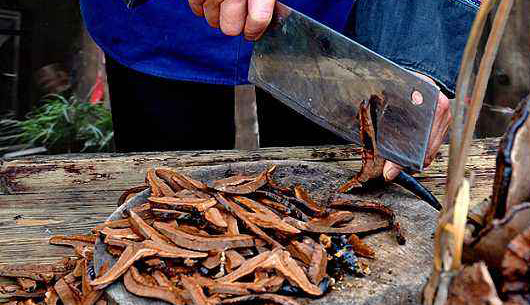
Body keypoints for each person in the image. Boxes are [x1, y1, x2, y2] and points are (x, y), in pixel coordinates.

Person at [79, 0, 480, 180]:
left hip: (320, 27)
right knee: (163, 199)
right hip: (157, 20)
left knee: (324, 195)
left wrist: (419, 42)